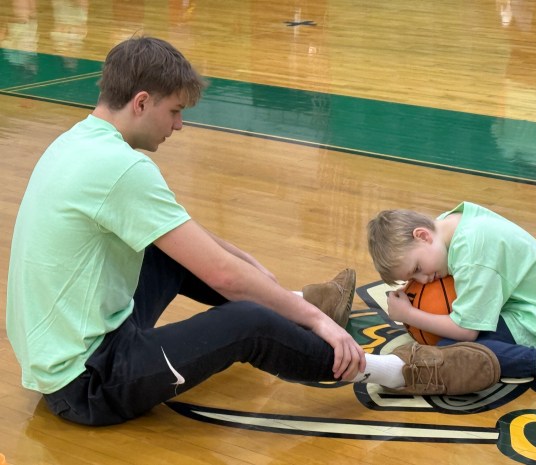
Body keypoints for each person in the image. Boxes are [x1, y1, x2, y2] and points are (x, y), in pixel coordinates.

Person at [6, 37, 501, 427]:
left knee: (176, 256)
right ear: (140, 102)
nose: (179, 126)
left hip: (72, 350)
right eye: (175, 111)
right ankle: (397, 372)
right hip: (87, 385)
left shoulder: (82, 141)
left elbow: (190, 239)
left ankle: (295, 305)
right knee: (248, 322)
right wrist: (314, 320)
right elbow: (225, 276)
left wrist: (277, 291)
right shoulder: (120, 170)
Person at [367, 202, 536, 393]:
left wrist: (409, 314)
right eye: (413, 278)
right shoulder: (448, 225)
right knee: (447, 348)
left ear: (422, 235)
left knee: (454, 352)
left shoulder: (473, 251)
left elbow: (466, 331)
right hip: (522, 306)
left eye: (417, 269)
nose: (422, 280)